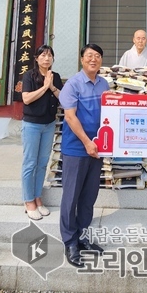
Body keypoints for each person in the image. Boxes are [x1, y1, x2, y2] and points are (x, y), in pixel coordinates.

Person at [58, 43, 110, 268]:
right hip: (77, 149)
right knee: (71, 197)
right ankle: (70, 242)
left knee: (89, 196)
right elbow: (70, 118)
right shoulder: (73, 84)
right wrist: (87, 142)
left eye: (97, 56)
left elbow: (110, 114)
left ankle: (81, 235)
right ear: (82, 59)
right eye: (89, 55)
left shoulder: (104, 83)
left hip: (97, 149)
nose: (93, 59)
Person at [21, 45, 62, 221]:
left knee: (43, 163)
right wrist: (44, 87)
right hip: (32, 124)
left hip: (49, 124)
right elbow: (26, 98)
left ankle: (38, 198)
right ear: (36, 58)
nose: (47, 59)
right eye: (43, 55)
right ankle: (28, 201)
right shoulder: (29, 76)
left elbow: (62, 98)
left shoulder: (56, 76)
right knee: (30, 163)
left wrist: (51, 86)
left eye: (50, 56)